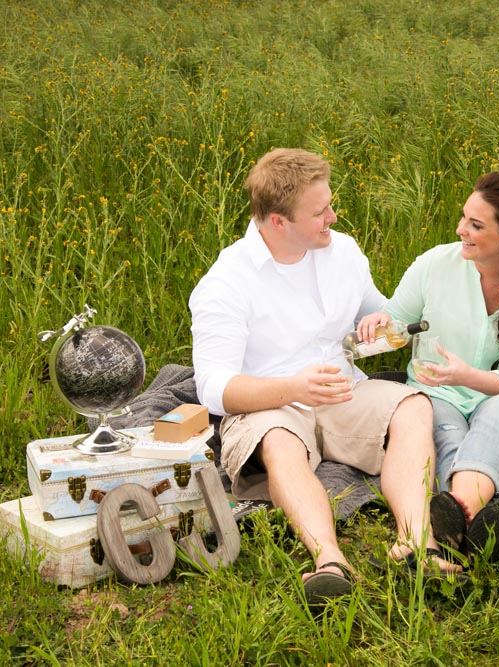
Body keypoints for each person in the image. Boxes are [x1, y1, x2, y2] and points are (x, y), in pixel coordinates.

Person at [189, 148, 462, 607]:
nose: (332, 217)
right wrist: (293, 388)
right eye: (319, 213)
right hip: (268, 403)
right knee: (279, 440)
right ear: (278, 222)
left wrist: (385, 326)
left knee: (414, 405)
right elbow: (213, 389)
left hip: (341, 390)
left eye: (330, 204)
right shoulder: (226, 283)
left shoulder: (344, 252)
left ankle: (416, 546)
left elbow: (379, 312)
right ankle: (330, 561)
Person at [356, 171, 499, 563]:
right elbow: (395, 317)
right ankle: (469, 522)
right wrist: (379, 323)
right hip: (437, 395)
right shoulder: (436, 263)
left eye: (475, 225)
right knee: (442, 426)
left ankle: (454, 516)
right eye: (463, 218)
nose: (460, 230)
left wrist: (470, 378)